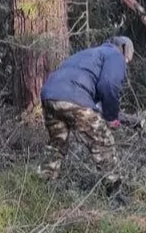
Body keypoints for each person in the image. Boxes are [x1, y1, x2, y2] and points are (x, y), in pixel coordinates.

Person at [39, 36, 134, 189]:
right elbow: (109, 85)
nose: (126, 63)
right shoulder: (115, 55)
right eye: (128, 59)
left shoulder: (90, 54)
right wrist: (111, 118)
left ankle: (41, 185)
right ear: (124, 48)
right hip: (74, 97)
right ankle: (114, 191)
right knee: (103, 142)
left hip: (50, 96)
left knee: (57, 144)